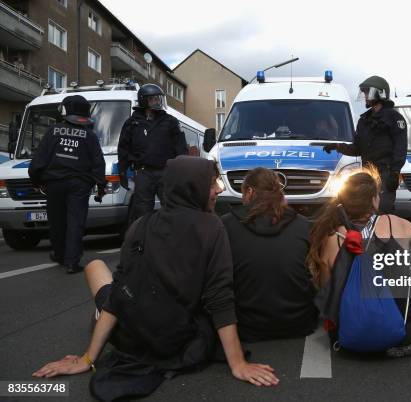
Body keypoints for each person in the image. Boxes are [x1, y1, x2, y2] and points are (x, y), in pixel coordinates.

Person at [32, 157, 279, 398]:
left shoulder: (141, 224)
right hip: (175, 339)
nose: (217, 190)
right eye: (212, 183)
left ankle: (101, 322)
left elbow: (119, 292)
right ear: (193, 188)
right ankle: (101, 320)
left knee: (95, 266)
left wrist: (87, 358)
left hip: (133, 332)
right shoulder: (212, 227)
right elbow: (219, 297)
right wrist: (237, 363)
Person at [307, 169, 411, 357]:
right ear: (374, 200)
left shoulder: (332, 237)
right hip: (400, 326)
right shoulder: (393, 223)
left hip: (349, 332)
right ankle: (408, 340)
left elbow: (328, 289)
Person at [221, 168, 318, 342]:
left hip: (247, 326)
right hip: (299, 323)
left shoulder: (227, 224)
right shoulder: (302, 224)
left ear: (249, 192)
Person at [28, 95, 106, 274]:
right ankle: (72, 262)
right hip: (79, 184)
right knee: (75, 222)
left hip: (54, 183)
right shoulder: (90, 135)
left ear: (66, 111)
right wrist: (100, 187)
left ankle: (60, 254)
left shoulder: (54, 130)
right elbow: (98, 164)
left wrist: (37, 181)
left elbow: (40, 159)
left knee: (57, 222)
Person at [322, 76, 407, 213]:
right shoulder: (364, 120)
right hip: (367, 173)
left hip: (385, 173)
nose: (365, 96)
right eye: (364, 93)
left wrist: (395, 172)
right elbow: (358, 148)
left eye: (368, 92)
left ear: (379, 93)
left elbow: (400, 148)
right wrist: (338, 146)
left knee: (382, 211)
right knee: (365, 212)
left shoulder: (394, 118)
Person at [118, 83, 188, 223]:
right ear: (144, 100)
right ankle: (142, 242)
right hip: (143, 173)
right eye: (153, 99)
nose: (157, 101)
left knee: (172, 206)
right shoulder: (132, 123)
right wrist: (122, 172)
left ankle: (173, 240)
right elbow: (123, 148)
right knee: (142, 211)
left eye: (158, 98)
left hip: (166, 172)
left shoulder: (170, 121)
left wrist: (181, 171)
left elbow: (181, 148)